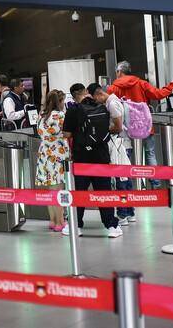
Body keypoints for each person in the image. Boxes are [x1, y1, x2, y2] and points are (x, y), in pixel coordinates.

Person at [62, 83, 123, 238]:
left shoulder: (73, 110)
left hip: (82, 157)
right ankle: (112, 226)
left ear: (73, 96)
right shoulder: (101, 106)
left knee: (80, 192)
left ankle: (76, 225)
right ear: (85, 92)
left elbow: (67, 134)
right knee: (104, 191)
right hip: (101, 155)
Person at [107, 61, 173, 187]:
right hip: (144, 126)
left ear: (119, 72)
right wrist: (172, 85)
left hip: (124, 129)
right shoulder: (141, 83)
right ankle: (155, 183)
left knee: (125, 155)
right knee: (150, 154)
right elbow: (158, 94)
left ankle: (129, 185)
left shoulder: (113, 88)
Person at [90, 83, 134, 225]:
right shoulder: (114, 101)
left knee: (121, 180)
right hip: (122, 144)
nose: (96, 102)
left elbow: (118, 127)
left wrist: (103, 130)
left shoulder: (112, 103)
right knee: (125, 179)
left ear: (98, 94)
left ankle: (122, 214)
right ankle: (130, 211)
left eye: (95, 99)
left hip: (119, 145)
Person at [34, 90, 69, 232]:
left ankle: (53, 220)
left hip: (44, 154)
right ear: (59, 102)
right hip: (58, 153)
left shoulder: (41, 116)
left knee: (50, 189)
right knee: (60, 189)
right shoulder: (61, 116)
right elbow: (67, 133)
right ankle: (61, 221)